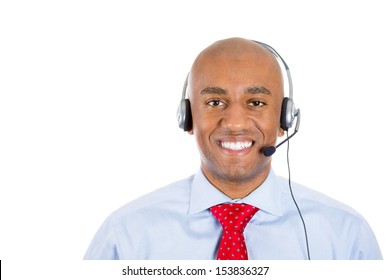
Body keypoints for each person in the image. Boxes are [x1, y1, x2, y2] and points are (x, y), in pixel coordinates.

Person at [84, 38, 382, 260]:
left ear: (284, 120)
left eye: (256, 103)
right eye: (215, 102)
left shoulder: (346, 235)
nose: (236, 122)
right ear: (187, 118)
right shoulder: (125, 235)